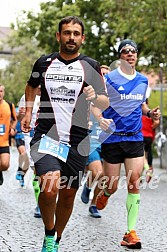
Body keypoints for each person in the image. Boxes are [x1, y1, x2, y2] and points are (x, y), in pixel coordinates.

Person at [21, 16, 109, 252]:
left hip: (78, 141)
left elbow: (105, 99)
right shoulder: (44, 63)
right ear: (59, 36)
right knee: (49, 190)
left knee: (68, 196)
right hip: (46, 137)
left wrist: (94, 96)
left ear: (82, 38)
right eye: (67, 33)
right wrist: (28, 112)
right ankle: (49, 232)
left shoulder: (90, 65)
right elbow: (30, 86)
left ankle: (55, 240)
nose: (71, 37)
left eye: (76, 33)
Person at [91, 39, 161, 249]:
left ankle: (130, 233)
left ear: (136, 56)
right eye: (125, 51)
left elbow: (140, 103)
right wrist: (100, 119)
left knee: (134, 182)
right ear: (120, 56)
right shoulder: (109, 79)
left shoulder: (142, 80)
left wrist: (150, 112)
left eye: (133, 51)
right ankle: (105, 194)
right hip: (113, 138)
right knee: (111, 184)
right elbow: (96, 106)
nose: (130, 54)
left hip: (134, 137)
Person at [81, 66, 111, 218]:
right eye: (102, 74)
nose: (105, 77)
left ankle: (93, 205)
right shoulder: (92, 93)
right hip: (92, 140)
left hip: (109, 142)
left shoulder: (114, 95)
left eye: (107, 74)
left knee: (105, 177)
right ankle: (87, 186)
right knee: (97, 172)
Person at [18, 87, 41, 218]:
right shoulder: (26, 97)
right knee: (37, 169)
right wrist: (21, 114)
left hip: (49, 136)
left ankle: (43, 202)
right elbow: (20, 116)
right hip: (30, 136)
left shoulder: (52, 94)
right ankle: (39, 203)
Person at [0, 84, 17, 185]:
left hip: (4, 141)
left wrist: (13, 128)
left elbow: (15, 120)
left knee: (5, 165)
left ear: (3, 93)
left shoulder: (9, 105)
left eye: (1, 91)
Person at [142, 98, 160, 183]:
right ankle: (150, 167)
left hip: (141, 136)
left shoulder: (140, 112)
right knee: (148, 153)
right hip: (149, 136)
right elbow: (156, 122)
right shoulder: (150, 113)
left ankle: (146, 170)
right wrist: (151, 128)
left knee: (141, 156)